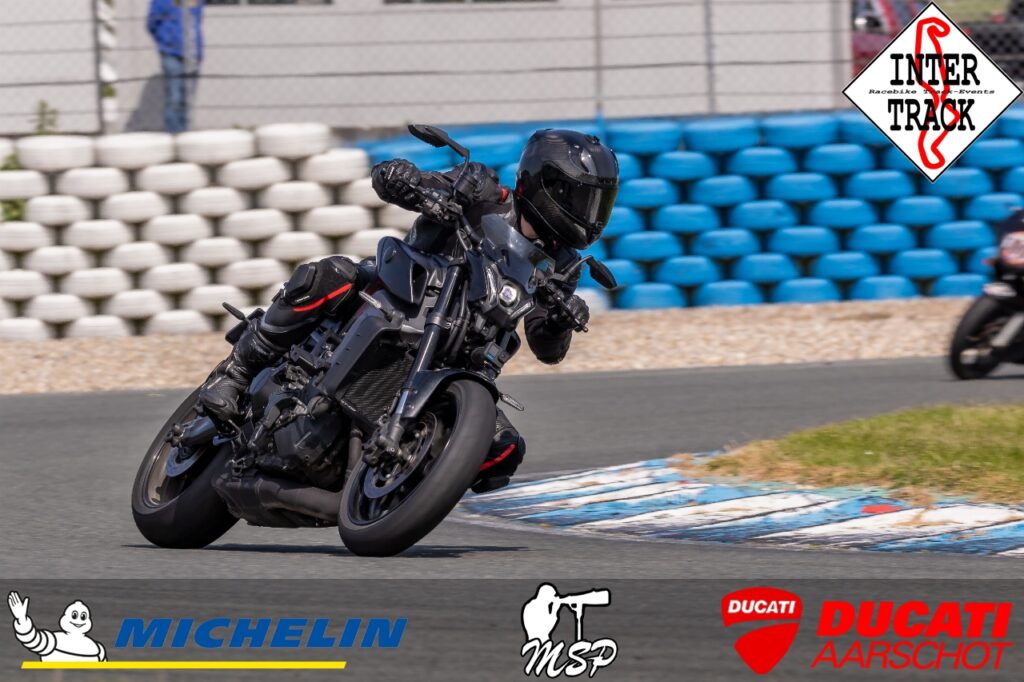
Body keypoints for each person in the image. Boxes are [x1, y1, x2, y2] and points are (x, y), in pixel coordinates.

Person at [198, 129, 619, 493]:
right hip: (400, 296)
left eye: (598, 203)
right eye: (582, 198)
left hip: (459, 357)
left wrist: (560, 322)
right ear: (546, 184)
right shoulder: (483, 191)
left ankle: (404, 480)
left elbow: (546, 346)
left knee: (503, 451)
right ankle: (235, 374)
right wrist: (405, 178)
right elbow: (400, 182)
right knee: (331, 276)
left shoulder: (562, 265)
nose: (590, 213)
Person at [147, 0, 204, 133]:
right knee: (175, 98)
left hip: (193, 53)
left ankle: (185, 133)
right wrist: (166, 40)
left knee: (187, 99)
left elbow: (197, 19)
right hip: (171, 53)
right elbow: (152, 23)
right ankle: (174, 134)